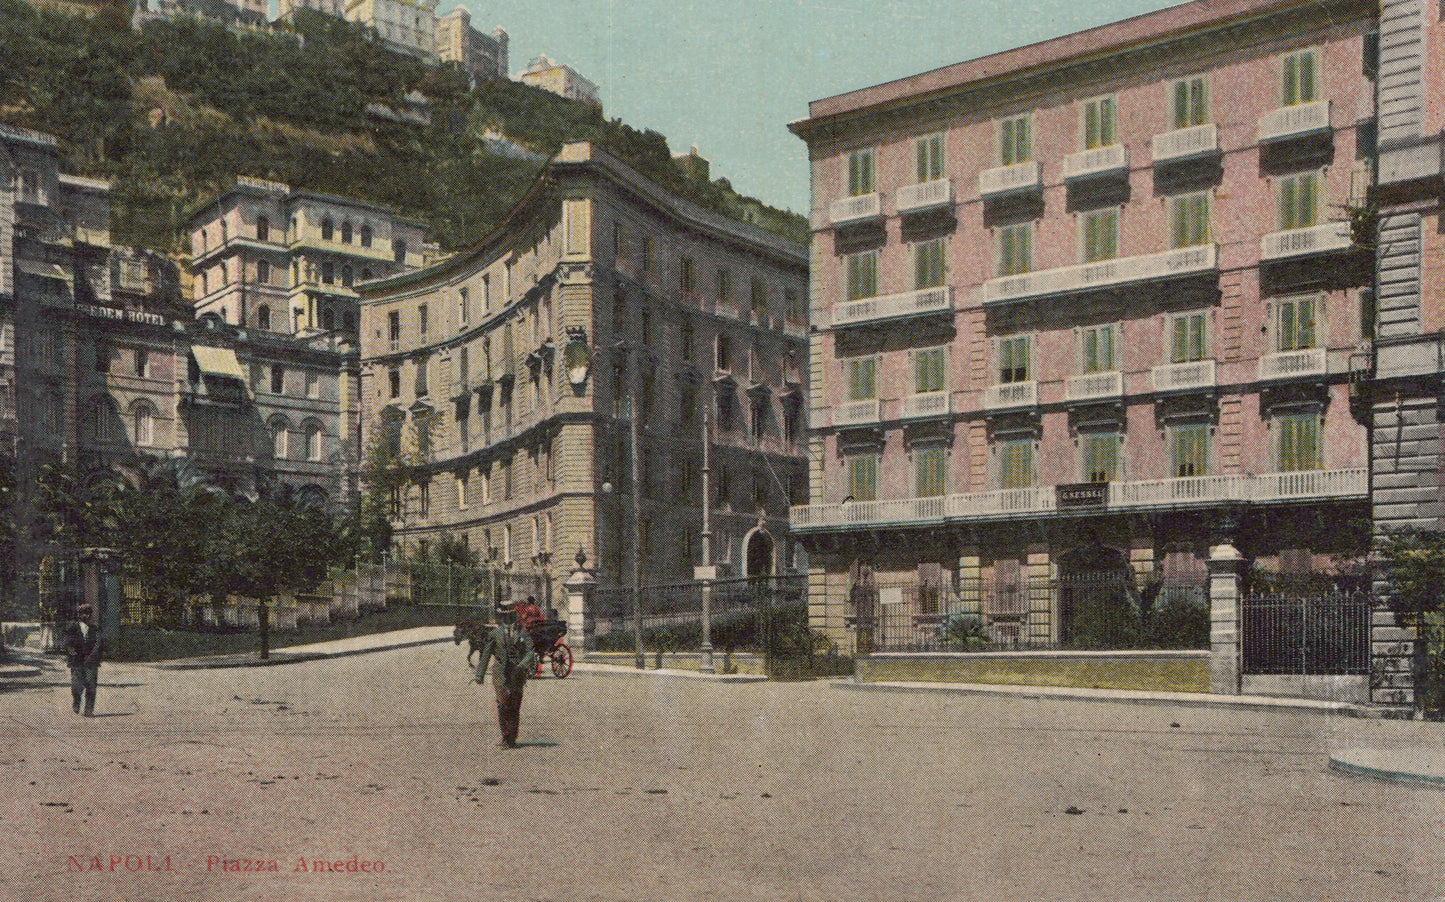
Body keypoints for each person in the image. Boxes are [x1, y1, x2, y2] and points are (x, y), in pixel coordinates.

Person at [473, 600, 537, 748]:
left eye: (510, 616)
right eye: (504, 616)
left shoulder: (523, 634)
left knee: (515, 705)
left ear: (514, 617)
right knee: (503, 704)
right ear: (501, 618)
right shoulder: (494, 634)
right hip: (500, 674)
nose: (507, 619)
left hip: (517, 674)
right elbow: (486, 654)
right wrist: (480, 674)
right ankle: (505, 736)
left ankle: (512, 737)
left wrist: (522, 665)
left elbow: (530, 652)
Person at [62, 603, 103, 717]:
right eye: (83, 613)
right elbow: (67, 643)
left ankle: (89, 709)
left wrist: (91, 657)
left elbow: (98, 644)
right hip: (76, 662)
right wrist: (73, 654)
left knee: (91, 686)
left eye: (88, 613)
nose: (86, 616)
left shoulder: (95, 629)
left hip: (91, 662)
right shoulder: (72, 628)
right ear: (79, 615)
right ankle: (76, 702)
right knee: (76, 686)